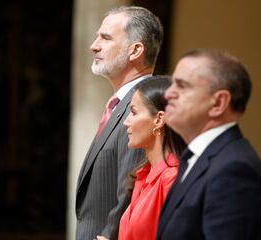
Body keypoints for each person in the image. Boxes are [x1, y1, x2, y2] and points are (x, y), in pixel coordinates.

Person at [156, 49, 261, 240]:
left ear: (219, 103)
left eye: (182, 86)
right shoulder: (197, 157)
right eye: (172, 84)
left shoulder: (234, 171)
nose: (168, 93)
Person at [75, 6, 163, 240]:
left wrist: (108, 236)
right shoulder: (119, 104)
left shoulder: (142, 108)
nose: (94, 45)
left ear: (135, 50)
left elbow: (130, 189)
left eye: (105, 38)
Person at [110, 76, 185, 240]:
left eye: (134, 113)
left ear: (159, 119)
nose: (126, 122)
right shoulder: (143, 173)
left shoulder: (171, 179)